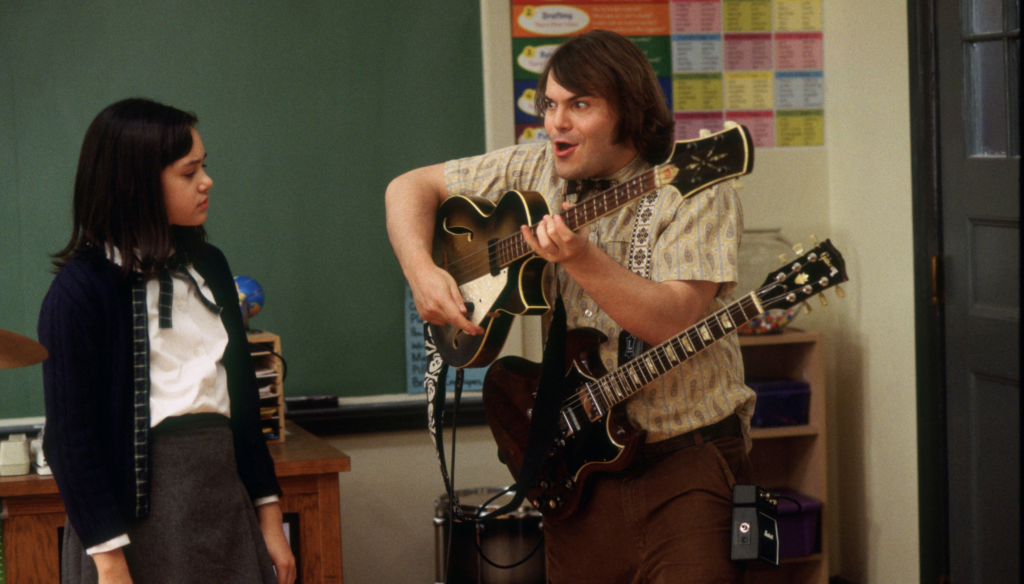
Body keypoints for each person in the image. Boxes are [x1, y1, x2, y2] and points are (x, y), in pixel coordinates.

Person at [386, 30, 756, 583]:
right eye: (551, 105)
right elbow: (407, 187)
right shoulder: (534, 168)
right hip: (581, 460)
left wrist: (580, 258)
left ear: (628, 111)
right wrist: (422, 270)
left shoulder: (696, 184)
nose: (556, 123)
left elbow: (671, 319)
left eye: (579, 105)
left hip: (687, 456)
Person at [38, 98, 296, 584]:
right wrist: (111, 564)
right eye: (188, 172)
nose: (207, 181)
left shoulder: (211, 266)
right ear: (134, 185)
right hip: (131, 528)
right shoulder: (79, 291)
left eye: (204, 167)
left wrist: (269, 517)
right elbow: (71, 440)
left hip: (220, 499)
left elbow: (243, 405)